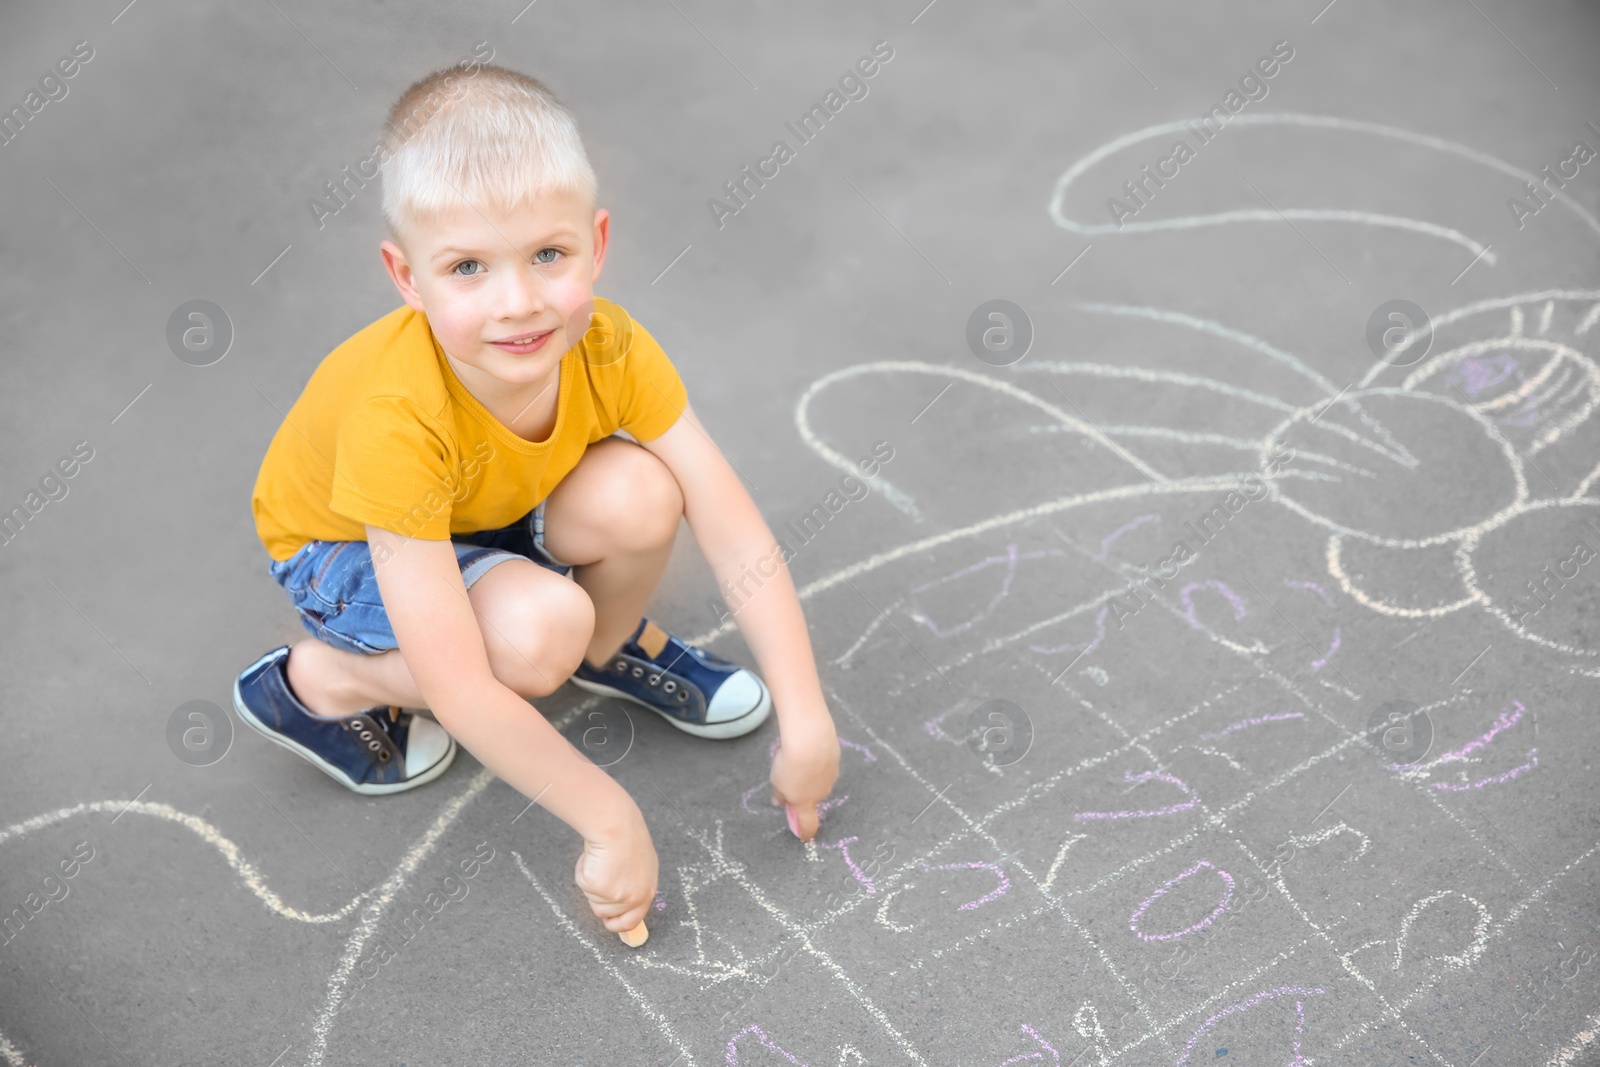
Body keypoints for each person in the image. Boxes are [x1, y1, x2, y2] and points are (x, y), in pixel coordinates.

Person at [235, 60, 841, 939]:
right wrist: (609, 820)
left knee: (644, 489)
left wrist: (808, 713)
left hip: (481, 510)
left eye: (547, 255)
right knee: (533, 637)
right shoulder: (395, 418)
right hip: (342, 550)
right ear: (407, 278)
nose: (518, 304)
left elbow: (727, 516)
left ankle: (606, 647)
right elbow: (458, 682)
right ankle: (323, 680)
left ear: (596, 243)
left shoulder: (610, 345)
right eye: (468, 267)